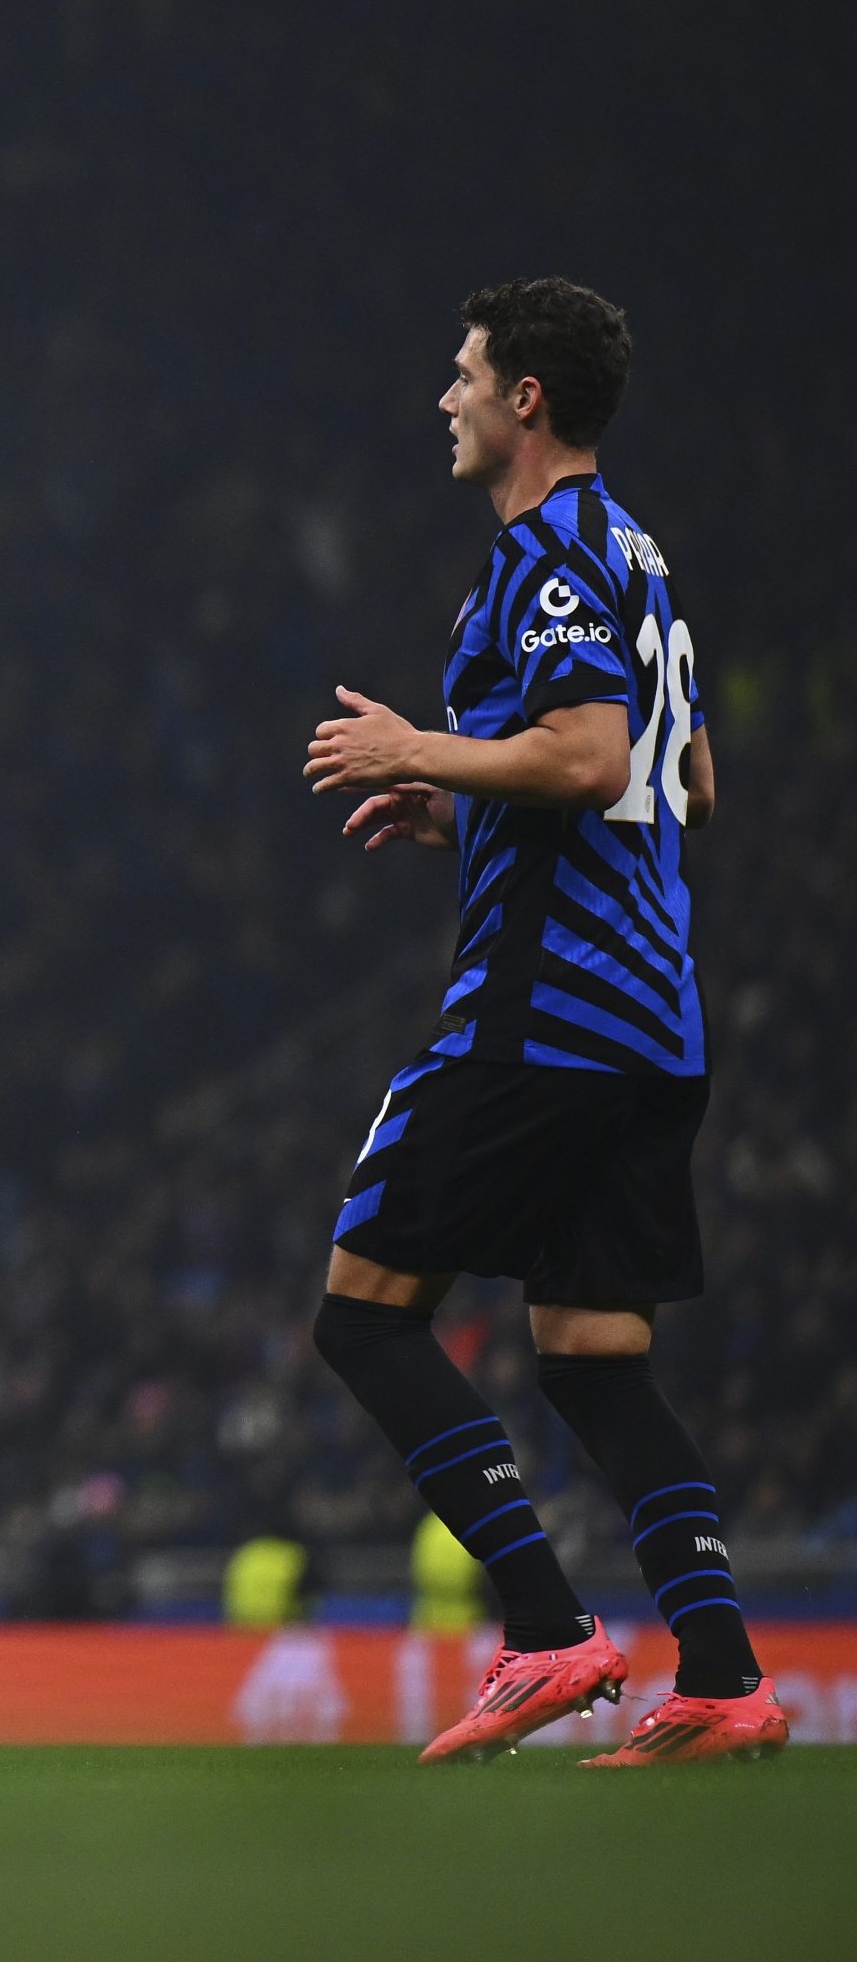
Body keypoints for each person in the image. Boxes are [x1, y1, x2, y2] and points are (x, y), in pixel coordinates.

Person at [303, 277, 785, 1767]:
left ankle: (548, 1632)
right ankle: (722, 1678)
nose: (444, 397)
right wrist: (458, 812)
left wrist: (415, 743)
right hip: (655, 1028)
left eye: (462, 375)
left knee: (361, 1311)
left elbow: (584, 761)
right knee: (589, 1359)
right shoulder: (643, 557)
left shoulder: (552, 556)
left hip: (543, 1019)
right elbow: (682, 783)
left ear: (525, 400)